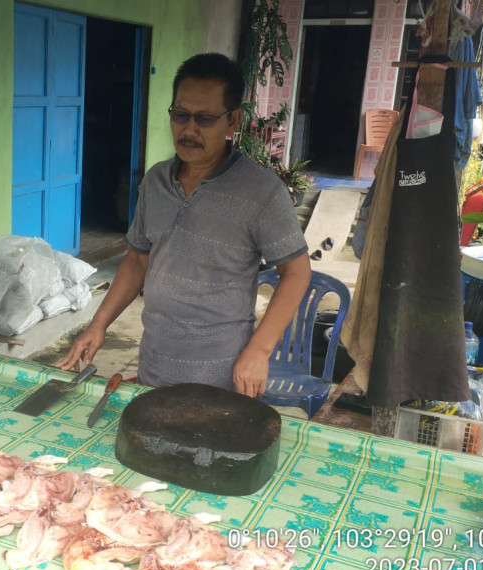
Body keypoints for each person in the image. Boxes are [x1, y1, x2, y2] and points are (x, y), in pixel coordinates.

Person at [57, 53, 312, 398]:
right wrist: (98, 324)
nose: (188, 130)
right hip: (155, 363)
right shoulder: (156, 181)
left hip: (221, 373)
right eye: (180, 115)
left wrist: (260, 350)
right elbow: (137, 260)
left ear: (232, 120)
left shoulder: (262, 193)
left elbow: (296, 272)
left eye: (205, 118)